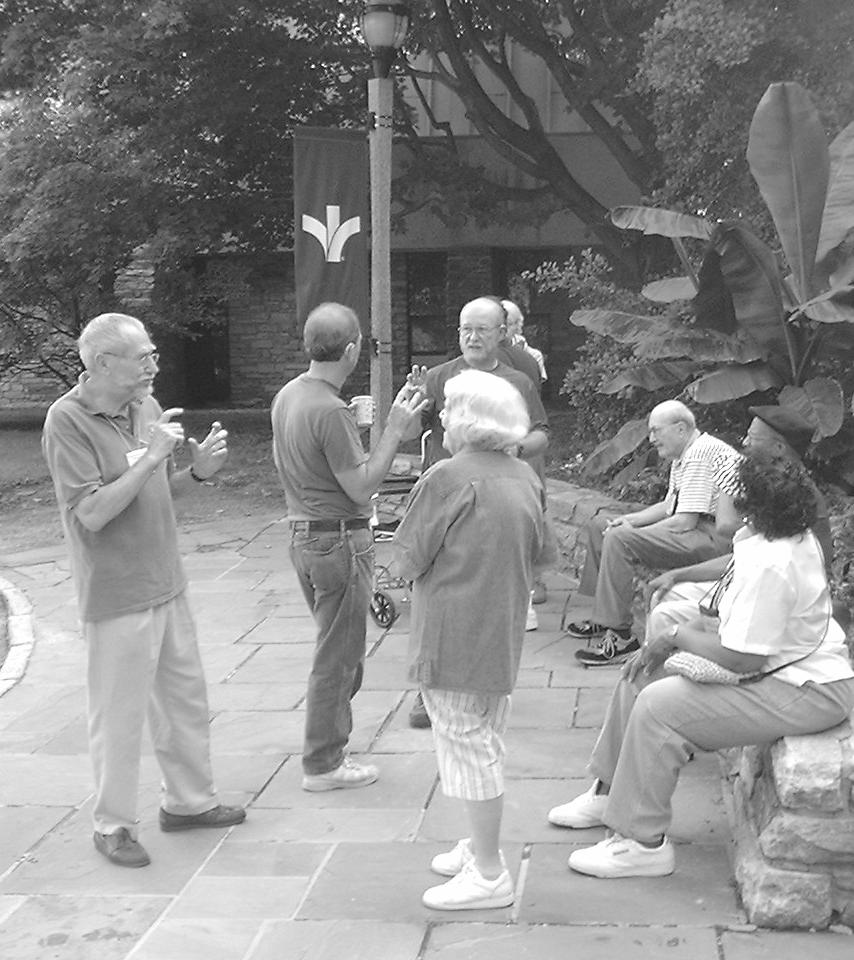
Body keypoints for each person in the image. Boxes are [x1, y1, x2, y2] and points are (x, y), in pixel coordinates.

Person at [546, 450, 854, 880]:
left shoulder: (774, 561)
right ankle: (609, 790)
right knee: (643, 672)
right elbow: (737, 596)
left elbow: (744, 656)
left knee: (659, 705)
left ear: (750, 504)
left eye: (728, 492)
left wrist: (675, 638)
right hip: (784, 672)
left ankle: (642, 843)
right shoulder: (772, 536)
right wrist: (679, 630)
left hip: (808, 691)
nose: (721, 498)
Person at [41, 313, 246, 869]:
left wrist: (197, 472)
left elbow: (157, 494)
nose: (154, 364)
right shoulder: (67, 422)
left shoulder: (148, 409)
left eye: (154, 353)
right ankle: (112, 826)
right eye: (143, 357)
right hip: (115, 595)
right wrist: (153, 456)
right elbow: (93, 513)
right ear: (104, 363)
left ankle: (188, 803)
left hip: (166, 582)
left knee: (185, 702)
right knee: (119, 716)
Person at [392, 370, 549, 910]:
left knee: (466, 746)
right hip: (501, 630)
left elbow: (408, 556)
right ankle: (476, 844)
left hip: (452, 633)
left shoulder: (446, 477)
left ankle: (488, 871)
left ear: (464, 421)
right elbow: (543, 555)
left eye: (446, 410)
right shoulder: (525, 476)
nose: (440, 419)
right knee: (486, 736)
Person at [270, 302, 427, 792]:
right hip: (338, 540)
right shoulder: (331, 410)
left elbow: (324, 464)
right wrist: (395, 430)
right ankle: (323, 763)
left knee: (337, 651)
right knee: (338, 658)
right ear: (354, 348)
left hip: (305, 537)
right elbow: (361, 487)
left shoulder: (290, 395)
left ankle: (329, 747)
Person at [408, 295, 550, 728]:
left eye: (482, 329)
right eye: (464, 329)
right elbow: (411, 429)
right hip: (445, 495)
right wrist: (411, 402)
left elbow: (542, 431)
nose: (471, 337)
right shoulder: (438, 377)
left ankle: (486, 684)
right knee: (434, 595)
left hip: (495, 502)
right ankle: (426, 690)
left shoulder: (518, 380)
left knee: (486, 598)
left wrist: (513, 447)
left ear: (501, 333)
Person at [645, 403, 834, 646]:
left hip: (778, 598)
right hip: (747, 582)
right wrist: (677, 575)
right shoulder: (767, 485)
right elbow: (746, 557)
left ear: (778, 448)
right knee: (667, 595)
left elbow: (733, 534)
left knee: (666, 613)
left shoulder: (793, 498)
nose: (744, 442)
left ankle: (657, 671)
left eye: (753, 438)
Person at [567, 400, 737, 666]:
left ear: (680, 428)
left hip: (714, 539)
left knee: (619, 539)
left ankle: (621, 635)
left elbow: (683, 522)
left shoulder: (701, 453)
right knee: (601, 526)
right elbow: (670, 505)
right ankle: (603, 616)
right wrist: (628, 520)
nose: (651, 438)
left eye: (657, 431)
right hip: (697, 527)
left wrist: (630, 532)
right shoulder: (686, 451)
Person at [501, 298, 547, 385]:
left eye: (508, 324)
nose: (503, 329)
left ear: (518, 325)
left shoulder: (534, 356)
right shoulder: (484, 352)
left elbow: (535, 390)